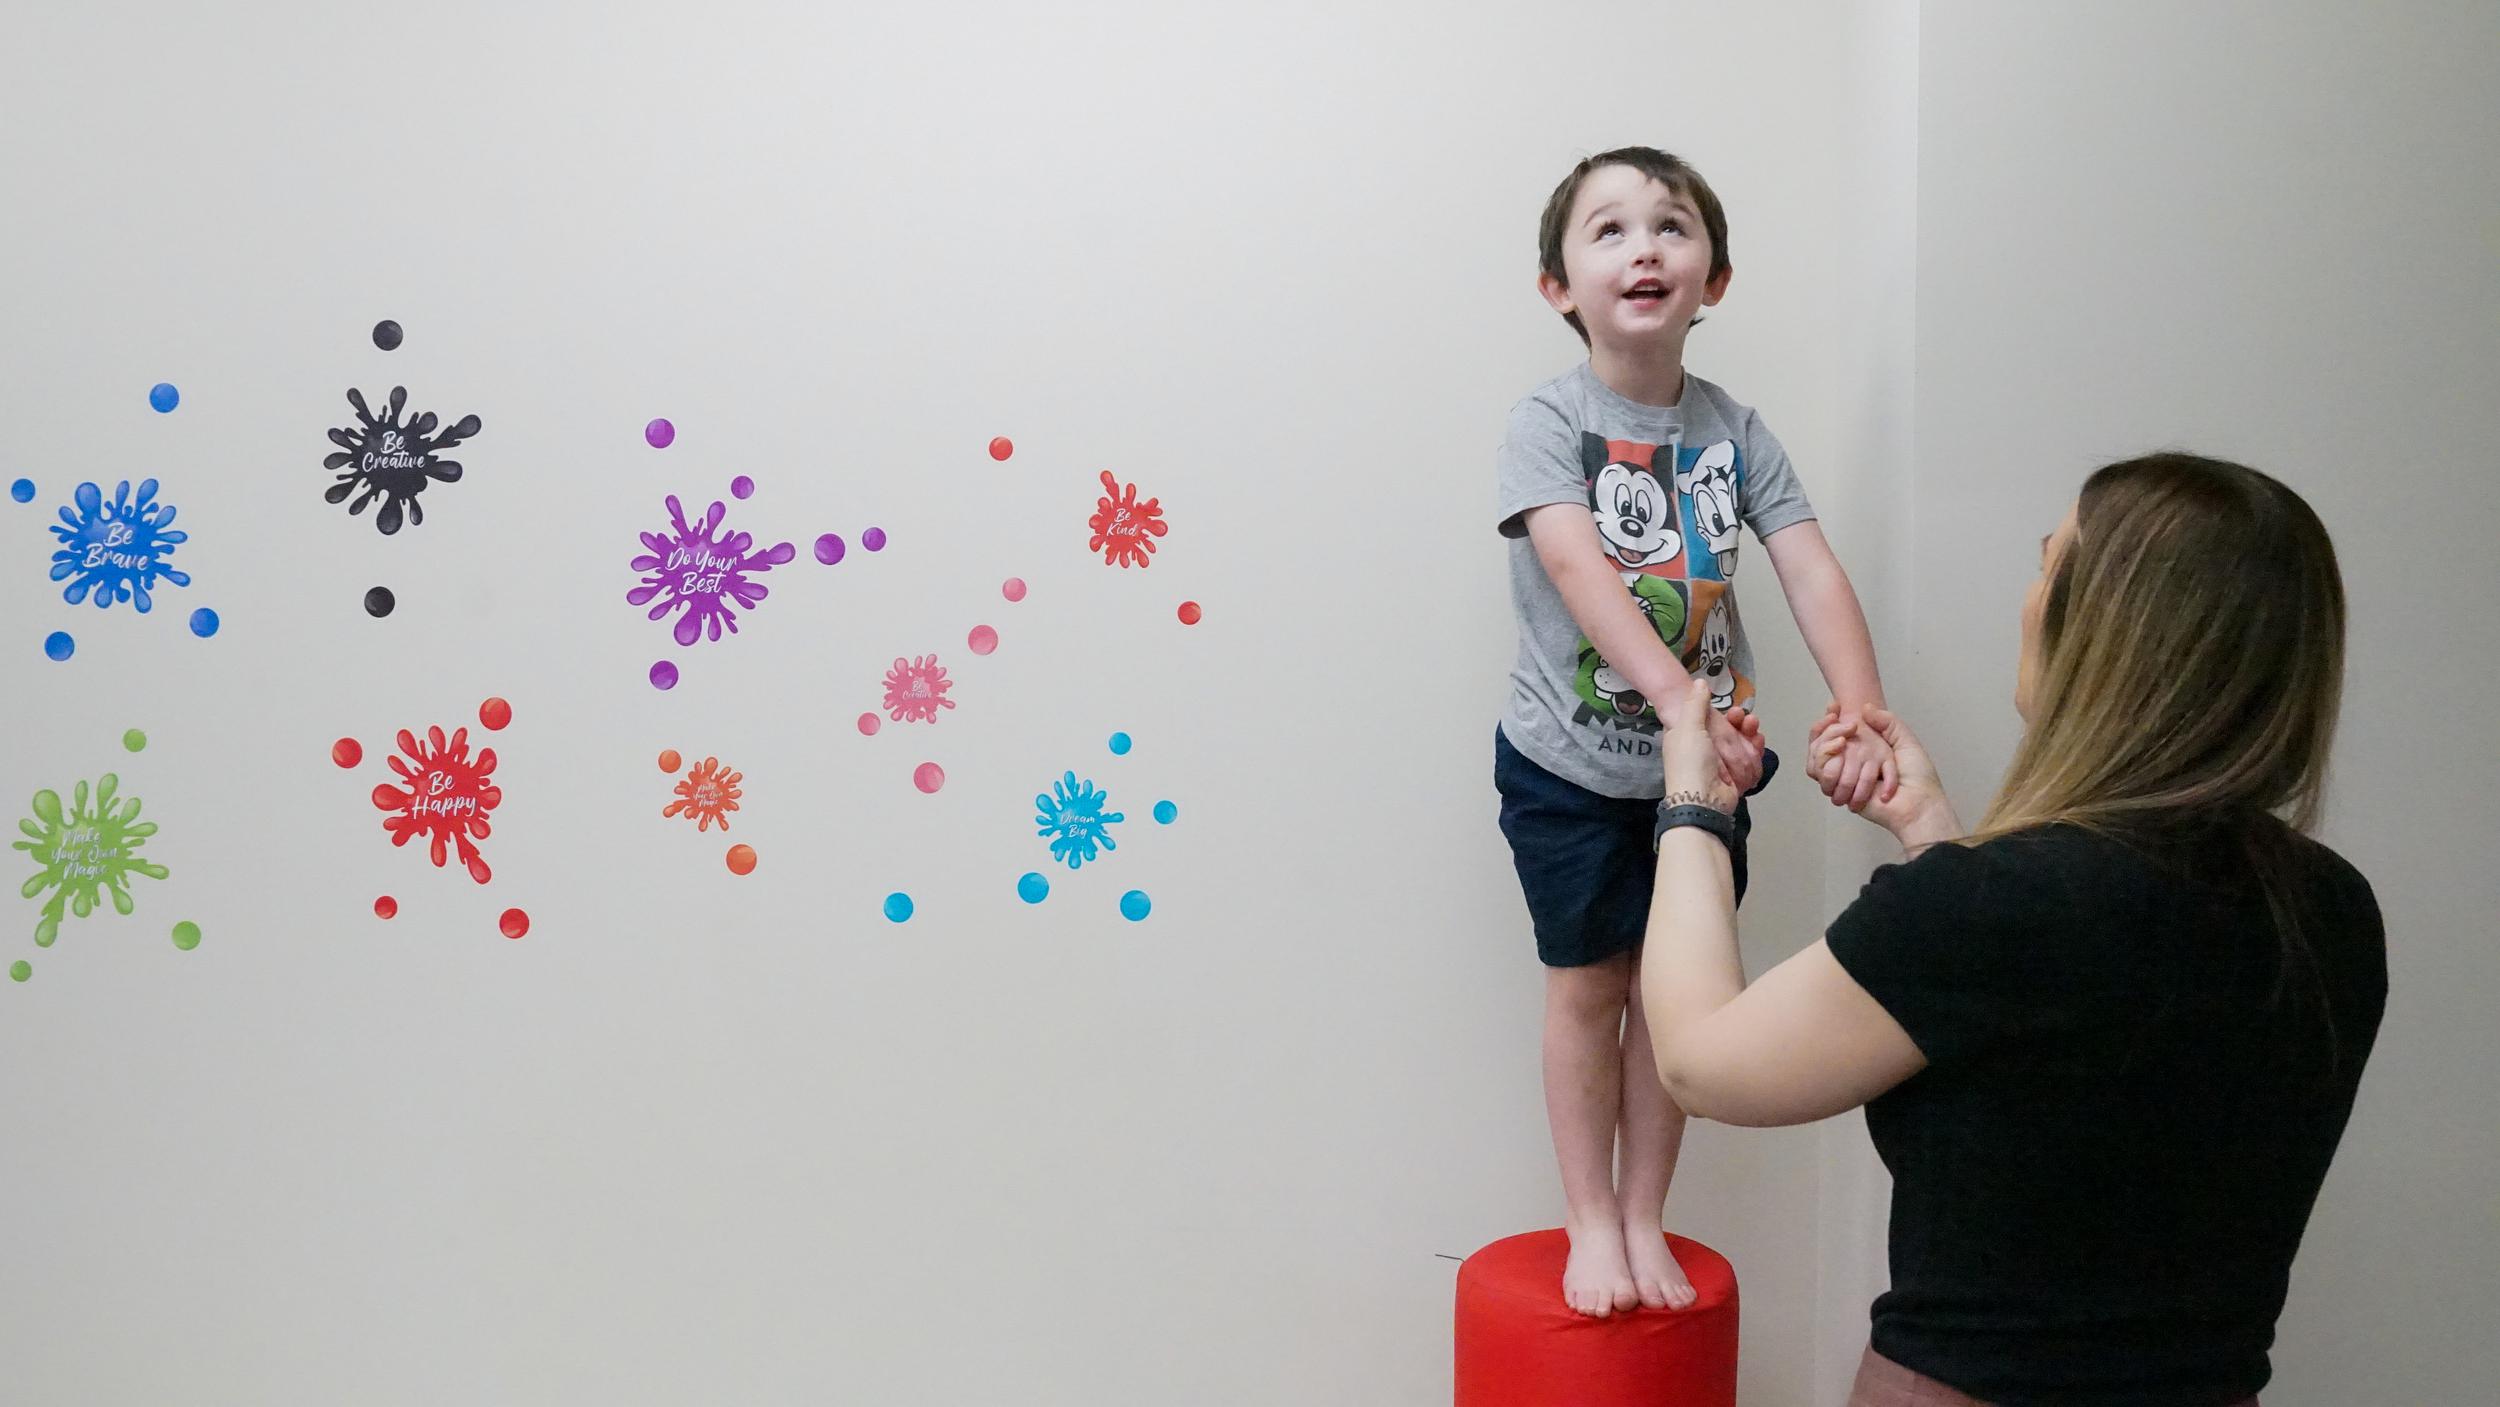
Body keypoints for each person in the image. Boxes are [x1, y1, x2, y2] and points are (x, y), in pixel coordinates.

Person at [1639, 452, 2386, 1405]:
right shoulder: (2334, 911)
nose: (2028, 600)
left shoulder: (1995, 911)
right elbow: (2065, 1075)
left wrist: (1694, 803)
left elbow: (1701, 1061)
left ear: (2103, 633)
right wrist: (1933, 834)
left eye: (2045, 565)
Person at [1494, 146, 1897, 1317]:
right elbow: (1575, 563)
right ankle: (1586, 1218)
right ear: (1557, 286)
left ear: (1711, 280)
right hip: (1569, 765)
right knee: (1588, 984)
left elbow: (1809, 568)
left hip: (1704, 780)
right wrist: (1677, 701)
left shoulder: (1734, 430)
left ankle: (1640, 1216)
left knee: (1679, 1001)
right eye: (1607, 231)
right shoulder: (1546, 422)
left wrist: (1858, 701)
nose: (1643, 248)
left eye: (1669, 228)